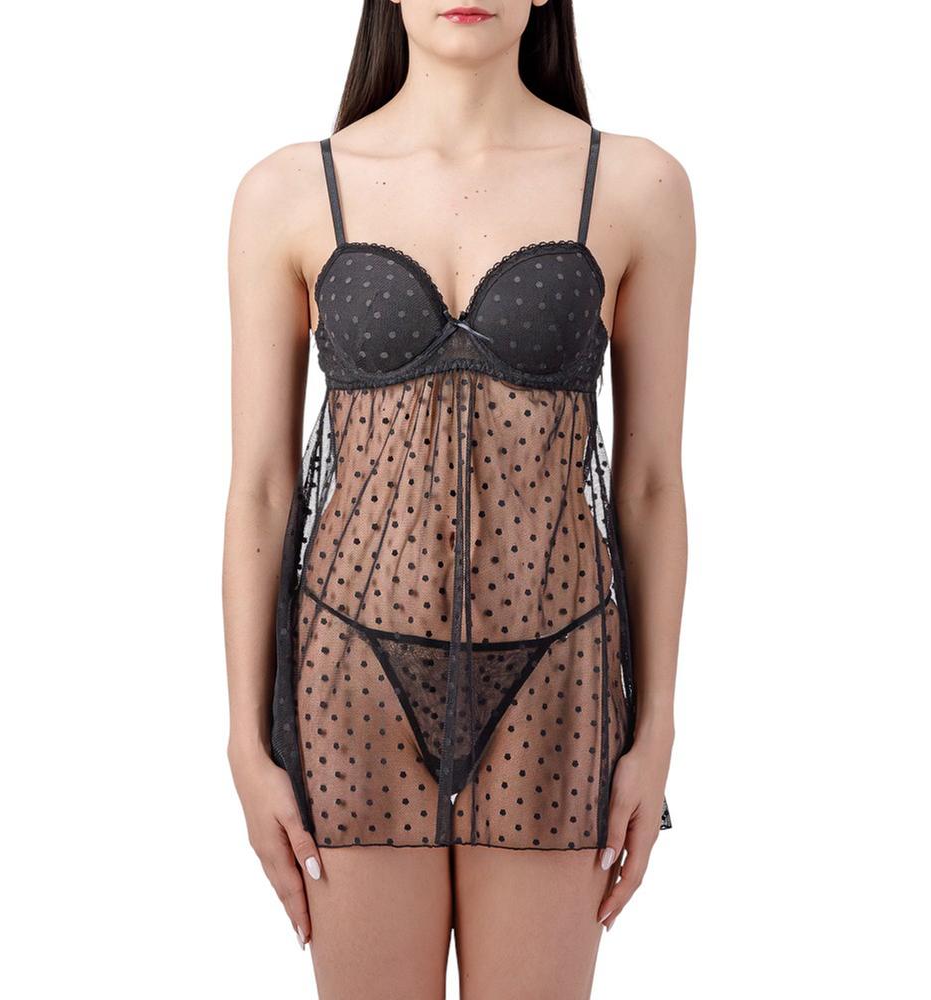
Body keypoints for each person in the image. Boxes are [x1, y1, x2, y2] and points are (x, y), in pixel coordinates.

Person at [223, 2, 694, 997]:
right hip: (348, 677)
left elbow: (651, 483)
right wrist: (244, 741)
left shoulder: (636, 185)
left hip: (558, 676)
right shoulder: (289, 190)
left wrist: (656, 729)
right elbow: (262, 488)